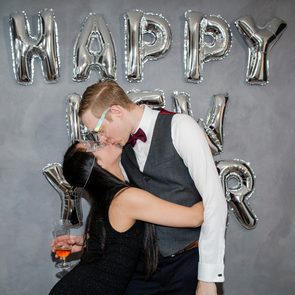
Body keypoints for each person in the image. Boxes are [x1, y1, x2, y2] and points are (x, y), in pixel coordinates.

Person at [78, 79, 228, 295]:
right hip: (145, 265)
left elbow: (214, 202)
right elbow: (119, 206)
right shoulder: (120, 149)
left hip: (189, 262)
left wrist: (208, 279)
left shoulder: (181, 127)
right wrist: (89, 241)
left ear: (116, 111)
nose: (101, 138)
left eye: (100, 129)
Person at [49, 141, 204, 295]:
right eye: (96, 145)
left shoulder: (107, 198)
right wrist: (211, 182)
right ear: (99, 164)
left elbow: (114, 239)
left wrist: (84, 241)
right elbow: (195, 217)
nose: (104, 140)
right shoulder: (126, 199)